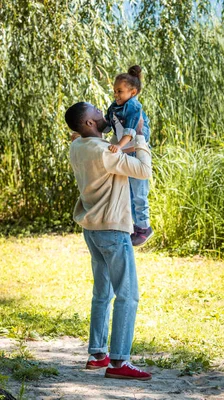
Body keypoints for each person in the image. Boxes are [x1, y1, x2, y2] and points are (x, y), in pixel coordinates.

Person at [65, 101, 152, 381]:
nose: (103, 116)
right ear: (89, 124)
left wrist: (120, 141)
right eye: (97, 114)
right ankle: (119, 363)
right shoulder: (103, 152)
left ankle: (97, 354)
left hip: (92, 230)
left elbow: (112, 150)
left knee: (102, 293)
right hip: (113, 231)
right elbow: (143, 170)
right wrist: (138, 136)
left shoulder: (77, 146)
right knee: (128, 295)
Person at [105, 65, 154, 246]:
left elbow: (130, 130)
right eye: (114, 91)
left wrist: (118, 145)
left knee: (139, 192)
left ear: (133, 92)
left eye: (120, 91)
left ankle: (145, 227)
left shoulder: (133, 105)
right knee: (130, 192)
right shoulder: (115, 107)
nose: (116, 95)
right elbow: (107, 123)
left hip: (136, 151)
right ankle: (136, 226)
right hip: (126, 151)